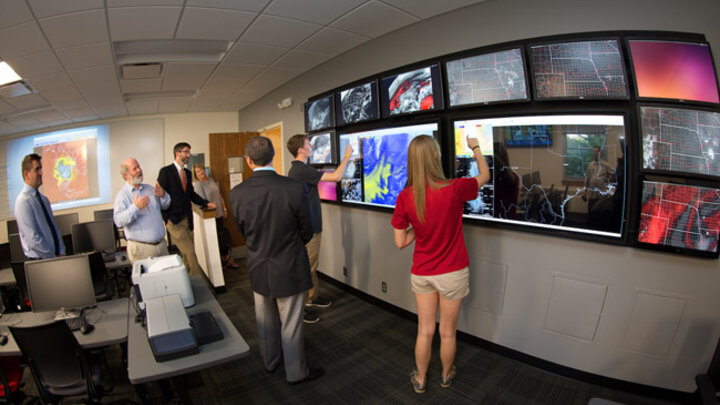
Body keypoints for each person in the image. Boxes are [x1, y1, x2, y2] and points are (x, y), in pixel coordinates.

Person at [391, 135, 490, 393]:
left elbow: (400, 242)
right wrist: (475, 148)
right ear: (435, 157)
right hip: (453, 273)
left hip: (422, 273)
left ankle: (421, 379)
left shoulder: (405, 197)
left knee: (424, 331)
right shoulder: (455, 188)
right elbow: (485, 175)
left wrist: (419, 227)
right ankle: (446, 375)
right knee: (447, 332)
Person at [230, 136, 323, 384]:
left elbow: (243, 231)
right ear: (273, 156)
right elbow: (307, 229)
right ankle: (296, 372)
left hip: (258, 265)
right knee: (291, 324)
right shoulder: (294, 188)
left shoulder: (237, 193)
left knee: (265, 321)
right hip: (290, 265)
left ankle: (270, 362)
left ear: (248, 161)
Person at [286, 133, 353, 324]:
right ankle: (303, 307)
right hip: (309, 227)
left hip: (311, 225)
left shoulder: (302, 169)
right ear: (301, 150)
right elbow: (336, 176)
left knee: (311, 265)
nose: (312, 147)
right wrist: (347, 155)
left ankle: (312, 297)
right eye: (308, 144)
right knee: (307, 267)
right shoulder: (300, 170)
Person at [157, 142, 215, 276]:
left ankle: (187, 280)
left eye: (189, 152)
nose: (189, 155)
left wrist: (206, 203)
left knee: (186, 253)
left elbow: (191, 195)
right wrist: (167, 219)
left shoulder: (188, 173)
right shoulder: (166, 172)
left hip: (187, 219)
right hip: (174, 221)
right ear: (178, 153)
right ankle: (198, 283)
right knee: (190, 253)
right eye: (186, 152)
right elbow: (159, 197)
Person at [113, 158, 171, 263]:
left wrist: (164, 195)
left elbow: (165, 205)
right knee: (149, 280)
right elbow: (118, 221)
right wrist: (135, 208)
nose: (139, 170)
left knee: (167, 278)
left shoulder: (149, 189)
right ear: (126, 175)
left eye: (139, 167)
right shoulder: (122, 196)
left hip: (161, 246)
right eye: (135, 169)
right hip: (142, 251)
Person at [14, 153, 66, 259]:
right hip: (41, 261)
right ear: (26, 174)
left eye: (41, 169)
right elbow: (33, 239)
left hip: (54, 258)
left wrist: (61, 251)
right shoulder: (23, 202)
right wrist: (52, 258)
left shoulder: (44, 199)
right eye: (37, 169)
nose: (41, 173)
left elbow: (54, 228)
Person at [192, 164, 239, 269]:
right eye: (198, 171)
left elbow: (219, 195)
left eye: (201, 170)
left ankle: (227, 259)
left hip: (219, 213)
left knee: (224, 237)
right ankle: (221, 263)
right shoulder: (198, 185)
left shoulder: (211, 180)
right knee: (216, 239)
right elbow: (201, 201)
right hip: (211, 216)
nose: (200, 173)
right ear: (195, 174)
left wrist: (224, 208)